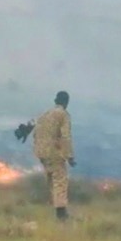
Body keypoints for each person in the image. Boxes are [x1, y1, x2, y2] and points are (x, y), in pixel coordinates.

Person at [31, 91, 75, 221]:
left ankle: (55, 208)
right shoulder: (63, 115)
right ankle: (61, 214)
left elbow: (35, 132)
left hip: (41, 152)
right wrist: (69, 156)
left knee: (51, 180)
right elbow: (65, 137)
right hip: (54, 152)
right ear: (66, 102)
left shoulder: (45, 114)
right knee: (60, 180)